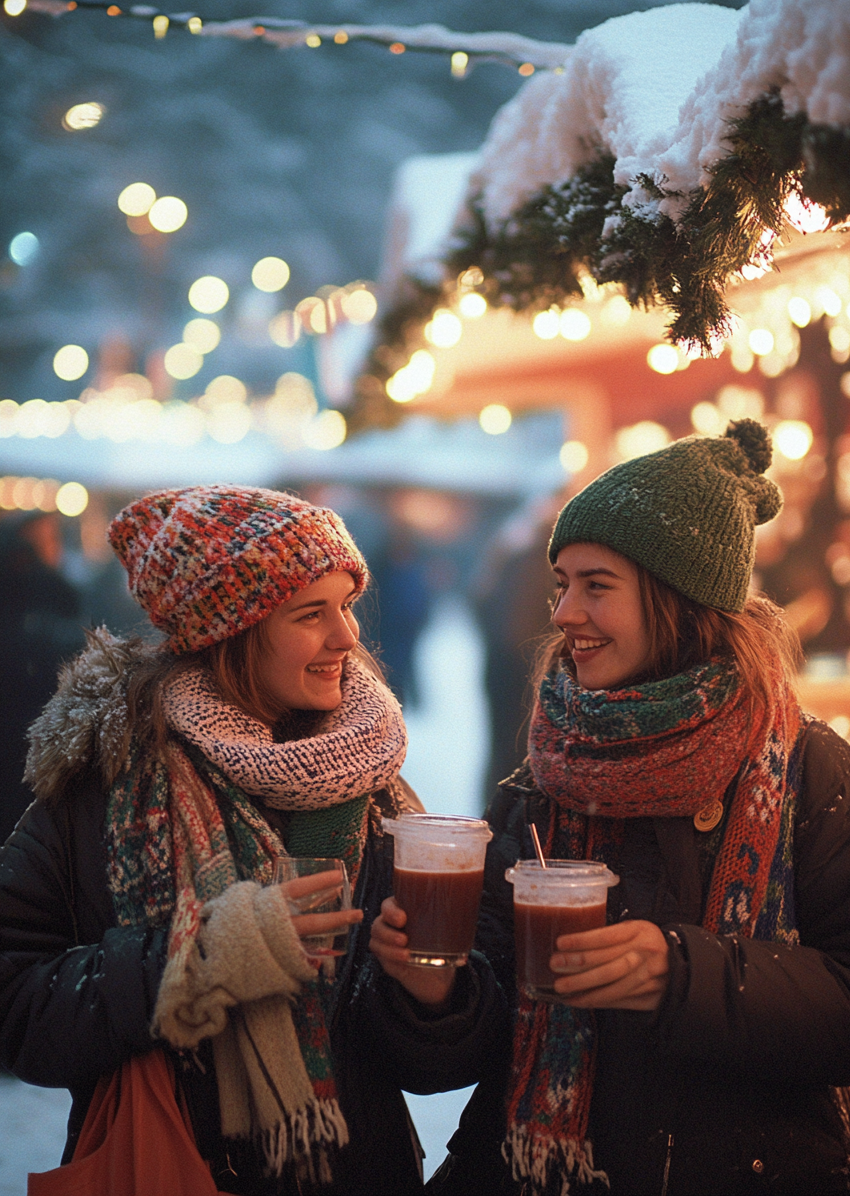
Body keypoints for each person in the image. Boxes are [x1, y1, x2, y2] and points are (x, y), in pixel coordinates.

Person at [372, 421, 850, 1196]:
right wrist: (435, 993)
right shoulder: (540, 780)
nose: (563, 611)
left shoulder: (805, 769)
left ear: (680, 601)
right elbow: (470, 1050)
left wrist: (682, 974)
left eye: (596, 585)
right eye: (561, 582)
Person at [0, 484, 504, 1196]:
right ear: (229, 632)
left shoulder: (371, 786)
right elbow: (17, 1006)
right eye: (311, 614)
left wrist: (433, 995)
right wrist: (196, 962)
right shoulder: (106, 786)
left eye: (347, 605)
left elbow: (431, 1065)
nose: (347, 637)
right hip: (173, 1169)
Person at [0, 509, 85, 843]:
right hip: (36, 749)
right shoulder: (50, 599)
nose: (55, 548)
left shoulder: (59, 598)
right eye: (47, 540)